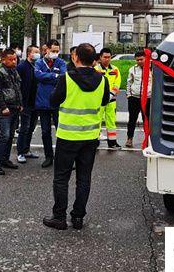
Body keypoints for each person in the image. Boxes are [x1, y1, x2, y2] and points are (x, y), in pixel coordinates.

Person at [42, 43, 110, 230]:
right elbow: (105, 101)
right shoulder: (103, 80)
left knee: (61, 178)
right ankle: (78, 217)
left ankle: (59, 217)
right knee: (84, 178)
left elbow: (53, 101)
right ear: (94, 60)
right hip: (90, 137)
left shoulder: (66, 78)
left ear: (75, 58)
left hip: (68, 136)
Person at [0, 48, 23, 175]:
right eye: (11, 59)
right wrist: (3, 107)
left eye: (15, 59)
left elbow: (17, 88)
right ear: (3, 60)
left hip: (15, 107)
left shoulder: (13, 71)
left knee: (10, 136)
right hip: (5, 109)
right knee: (4, 136)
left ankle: (5, 159)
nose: (14, 61)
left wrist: (20, 104)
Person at [35, 39, 67, 168]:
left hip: (57, 102)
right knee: (45, 131)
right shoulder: (39, 62)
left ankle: (62, 157)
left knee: (61, 131)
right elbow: (38, 75)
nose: (55, 53)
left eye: (57, 51)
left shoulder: (61, 62)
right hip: (43, 102)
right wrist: (54, 76)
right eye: (53, 50)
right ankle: (49, 156)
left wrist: (47, 76)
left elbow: (64, 76)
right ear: (46, 49)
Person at [16, 45, 41, 163]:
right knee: (24, 129)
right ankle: (20, 152)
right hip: (25, 103)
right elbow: (17, 86)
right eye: (35, 52)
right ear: (29, 54)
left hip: (36, 103)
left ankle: (26, 150)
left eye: (38, 52)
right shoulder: (22, 66)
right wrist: (20, 102)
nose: (38, 54)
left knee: (31, 128)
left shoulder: (37, 66)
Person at [95, 48, 122, 149]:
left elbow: (117, 83)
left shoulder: (115, 69)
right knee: (97, 120)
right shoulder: (95, 69)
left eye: (109, 57)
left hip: (112, 100)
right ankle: (95, 141)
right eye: (104, 57)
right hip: (99, 100)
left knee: (111, 120)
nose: (107, 59)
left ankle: (112, 142)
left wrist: (111, 94)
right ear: (100, 57)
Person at [125, 50, 152, 148]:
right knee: (132, 119)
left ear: (146, 58)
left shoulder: (152, 68)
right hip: (134, 98)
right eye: (137, 60)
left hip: (148, 99)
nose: (139, 61)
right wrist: (128, 95)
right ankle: (129, 138)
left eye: (141, 59)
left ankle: (148, 140)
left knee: (147, 120)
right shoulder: (133, 69)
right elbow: (129, 82)